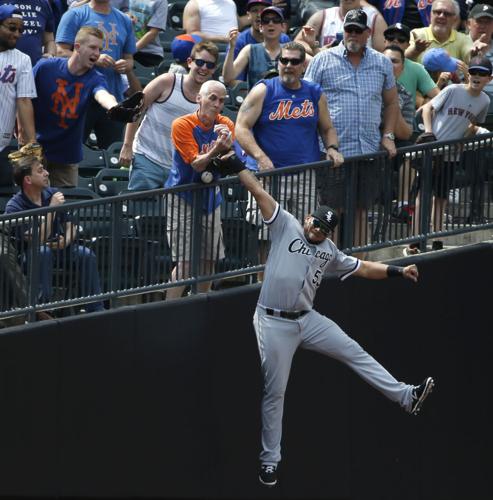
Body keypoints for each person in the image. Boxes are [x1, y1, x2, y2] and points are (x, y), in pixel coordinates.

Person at [233, 165, 434, 488]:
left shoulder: (329, 251)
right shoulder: (287, 225)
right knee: (276, 392)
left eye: (324, 229)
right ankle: (269, 462)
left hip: (307, 319)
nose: (317, 231)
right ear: (309, 219)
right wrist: (236, 166)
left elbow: (363, 267)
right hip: (272, 321)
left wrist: (397, 271)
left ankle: (406, 397)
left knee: (354, 351)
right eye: (316, 224)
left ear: (329, 233)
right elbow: (258, 192)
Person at [235, 41, 343, 264]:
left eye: (294, 61)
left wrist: (332, 148)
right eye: (284, 60)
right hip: (269, 177)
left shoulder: (314, 92)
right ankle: (264, 286)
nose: (288, 65)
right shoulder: (264, 89)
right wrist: (260, 157)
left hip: (304, 175)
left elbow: (327, 128)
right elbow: (241, 128)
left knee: (306, 235)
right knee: (267, 237)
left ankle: (296, 283)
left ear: (303, 65)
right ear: (278, 62)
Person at [304, 8, 399, 248]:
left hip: (367, 150)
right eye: (349, 30)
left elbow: (391, 103)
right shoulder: (322, 59)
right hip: (333, 152)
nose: (353, 35)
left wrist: (388, 135)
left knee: (360, 210)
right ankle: (326, 269)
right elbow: (306, 103)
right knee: (329, 214)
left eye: (358, 30)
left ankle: (359, 268)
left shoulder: (382, 63)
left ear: (368, 32)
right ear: (342, 31)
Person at [4, 153, 105, 314]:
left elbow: (71, 226)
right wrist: (51, 209)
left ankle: (95, 308)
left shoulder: (51, 193)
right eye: (40, 170)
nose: (47, 173)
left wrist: (65, 240)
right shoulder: (15, 206)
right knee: (42, 252)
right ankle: (44, 308)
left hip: (60, 248)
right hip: (30, 254)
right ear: (28, 180)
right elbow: (36, 240)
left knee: (86, 255)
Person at [164, 80, 234, 299]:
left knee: (209, 259)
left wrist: (228, 149)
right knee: (185, 262)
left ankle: (201, 305)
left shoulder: (225, 124)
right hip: (183, 193)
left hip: (210, 196)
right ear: (199, 99)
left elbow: (233, 159)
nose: (217, 104)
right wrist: (217, 150)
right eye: (212, 98)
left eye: (221, 100)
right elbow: (197, 164)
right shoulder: (182, 124)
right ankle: (169, 312)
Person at [119, 40, 219, 190]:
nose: (204, 68)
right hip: (147, 158)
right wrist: (127, 145)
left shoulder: (211, 98)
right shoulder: (167, 81)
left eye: (210, 65)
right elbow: (136, 110)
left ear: (214, 69)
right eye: (200, 62)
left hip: (180, 168)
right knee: (139, 210)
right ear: (190, 62)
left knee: (174, 214)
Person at [32, 26, 123, 187]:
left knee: (63, 207)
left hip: (66, 157)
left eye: (100, 49)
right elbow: (24, 97)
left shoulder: (96, 78)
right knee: (32, 204)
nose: (97, 53)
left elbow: (102, 95)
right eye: (93, 47)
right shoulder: (45, 67)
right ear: (77, 47)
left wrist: (115, 107)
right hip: (36, 148)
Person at [413, 55, 491, 233]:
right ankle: (416, 237)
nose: (477, 76)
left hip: (451, 154)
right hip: (432, 149)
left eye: (482, 73)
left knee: (441, 196)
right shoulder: (453, 90)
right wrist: (428, 132)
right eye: (473, 72)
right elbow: (427, 108)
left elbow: (474, 124)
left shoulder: (485, 100)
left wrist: (465, 138)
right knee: (423, 194)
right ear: (468, 74)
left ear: (489, 78)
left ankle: (437, 236)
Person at [55, 0, 138, 149]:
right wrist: (94, 58)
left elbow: (130, 58)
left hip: (112, 96)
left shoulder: (124, 19)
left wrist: (125, 65)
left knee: (112, 152)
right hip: (79, 96)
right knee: (70, 149)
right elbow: (60, 51)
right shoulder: (75, 14)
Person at [0, 4, 37, 187]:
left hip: (3, 144)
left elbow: (23, 100)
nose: (16, 34)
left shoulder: (22, 59)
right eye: (11, 28)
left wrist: (31, 142)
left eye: (20, 30)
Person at [222, 6, 288, 89]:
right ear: (260, 27)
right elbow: (227, 78)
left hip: (285, 100)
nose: (271, 24)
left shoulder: (290, 50)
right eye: (266, 21)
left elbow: (309, 65)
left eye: (276, 20)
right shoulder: (249, 50)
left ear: (283, 26)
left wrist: (310, 44)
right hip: (257, 99)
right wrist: (232, 48)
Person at [295, 0, 388, 55]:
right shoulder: (322, 16)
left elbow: (384, 52)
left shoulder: (374, 19)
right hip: (329, 69)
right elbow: (298, 42)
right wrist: (317, 50)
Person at [383, 22, 439, 109]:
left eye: (401, 39)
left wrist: (422, 112)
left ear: (408, 45)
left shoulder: (417, 68)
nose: (395, 40)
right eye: (391, 37)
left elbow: (438, 97)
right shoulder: (372, 64)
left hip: (407, 120)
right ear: (384, 41)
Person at [405, 0, 472, 65]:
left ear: (455, 18)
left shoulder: (463, 39)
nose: (441, 16)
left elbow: (470, 58)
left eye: (447, 14)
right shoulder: (417, 34)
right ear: (431, 14)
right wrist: (416, 50)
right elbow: (403, 60)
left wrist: (475, 54)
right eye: (437, 12)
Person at [3, 0, 57, 65]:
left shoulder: (43, 3)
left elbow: (49, 40)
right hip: (4, 66)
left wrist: (50, 55)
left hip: (34, 68)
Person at [129, 0, 168, 67]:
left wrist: (130, 51)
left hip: (149, 54)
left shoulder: (161, 1)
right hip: (124, 50)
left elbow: (153, 32)